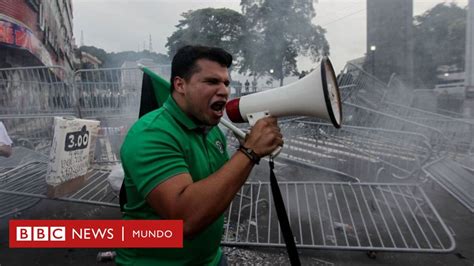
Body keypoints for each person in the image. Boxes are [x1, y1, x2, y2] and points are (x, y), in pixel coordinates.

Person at [116, 45, 283, 265]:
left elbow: (218, 186)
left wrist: (249, 153)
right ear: (180, 85)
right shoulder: (151, 134)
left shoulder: (211, 129)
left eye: (226, 83)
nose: (224, 90)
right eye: (211, 82)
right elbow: (185, 220)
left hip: (211, 259)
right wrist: (249, 152)